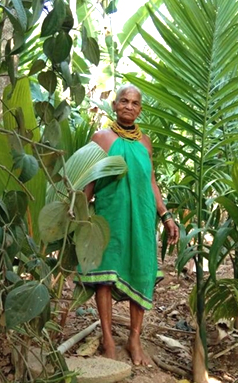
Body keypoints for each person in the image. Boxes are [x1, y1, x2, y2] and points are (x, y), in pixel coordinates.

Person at [78, 84, 179, 365]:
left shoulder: (145, 142)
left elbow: (151, 181)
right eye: (124, 101)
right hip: (110, 216)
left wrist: (165, 215)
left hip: (143, 218)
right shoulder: (101, 138)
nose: (129, 107)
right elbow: (89, 178)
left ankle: (134, 339)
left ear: (140, 109)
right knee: (106, 275)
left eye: (135, 103)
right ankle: (108, 339)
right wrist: (80, 215)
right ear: (114, 104)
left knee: (142, 270)